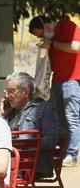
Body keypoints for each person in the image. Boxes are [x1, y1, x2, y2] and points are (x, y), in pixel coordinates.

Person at [29, 15, 80, 166]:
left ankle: (72, 154)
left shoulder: (67, 26)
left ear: (45, 25)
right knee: (60, 120)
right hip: (57, 80)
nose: (42, 37)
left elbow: (75, 47)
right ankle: (64, 153)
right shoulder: (50, 40)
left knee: (72, 118)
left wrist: (51, 44)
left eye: (41, 34)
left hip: (72, 80)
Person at [0, 71, 59, 179]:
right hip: (11, 164)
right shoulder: (10, 111)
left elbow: (51, 140)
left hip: (32, 166)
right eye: (6, 92)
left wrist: (21, 144)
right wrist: (1, 115)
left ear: (26, 92)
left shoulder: (43, 109)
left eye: (11, 91)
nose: (7, 96)